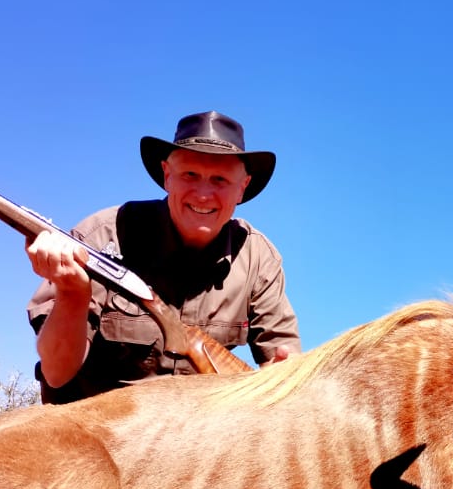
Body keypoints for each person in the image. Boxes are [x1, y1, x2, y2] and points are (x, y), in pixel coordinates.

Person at [25, 110, 301, 404]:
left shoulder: (259, 258)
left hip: (196, 427)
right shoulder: (101, 236)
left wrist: (284, 377)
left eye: (219, 179)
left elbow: (286, 367)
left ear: (242, 188)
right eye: (190, 175)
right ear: (167, 176)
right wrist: (72, 293)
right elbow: (56, 373)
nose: (203, 194)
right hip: (93, 425)